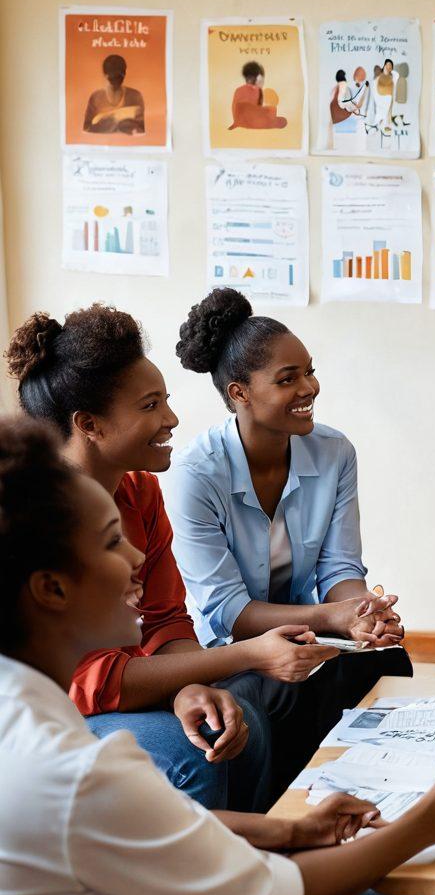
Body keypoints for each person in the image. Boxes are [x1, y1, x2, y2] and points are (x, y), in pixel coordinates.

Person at [0, 412, 435, 895]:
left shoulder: (26, 714)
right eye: (114, 544)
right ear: (52, 589)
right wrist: (424, 827)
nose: (137, 559)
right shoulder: (75, 773)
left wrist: (294, 830)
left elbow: (161, 826)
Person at [170, 289, 435, 895]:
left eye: (309, 370)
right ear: (237, 394)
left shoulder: (333, 451)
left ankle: (390, 862)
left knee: (387, 663)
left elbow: (341, 565)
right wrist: (332, 618)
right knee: (265, 699)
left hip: (316, 643)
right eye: (288, 378)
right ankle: (289, 870)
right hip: (238, 655)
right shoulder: (197, 473)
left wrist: (359, 612)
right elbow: (228, 609)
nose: (309, 387)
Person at [4, 304, 326, 813]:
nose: (171, 419)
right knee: (192, 754)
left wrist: (189, 686)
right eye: (150, 405)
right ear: (89, 424)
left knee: (232, 719)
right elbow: (91, 683)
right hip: (51, 714)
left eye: (166, 401)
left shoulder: (139, 491)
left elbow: (164, 623)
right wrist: (247, 653)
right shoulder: (37, 515)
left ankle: (255, 867)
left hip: (118, 688)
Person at [82, 53, 145, 134]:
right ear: (105, 75)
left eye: (119, 77)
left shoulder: (135, 96)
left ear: (125, 73)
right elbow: (86, 129)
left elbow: (142, 129)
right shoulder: (95, 98)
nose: (116, 81)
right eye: (112, 77)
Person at [229, 60, 287, 131]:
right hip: (249, 120)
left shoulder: (238, 90)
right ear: (259, 77)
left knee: (275, 115)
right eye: (262, 78)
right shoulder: (257, 90)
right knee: (278, 116)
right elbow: (254, 110)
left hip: (239, 121)